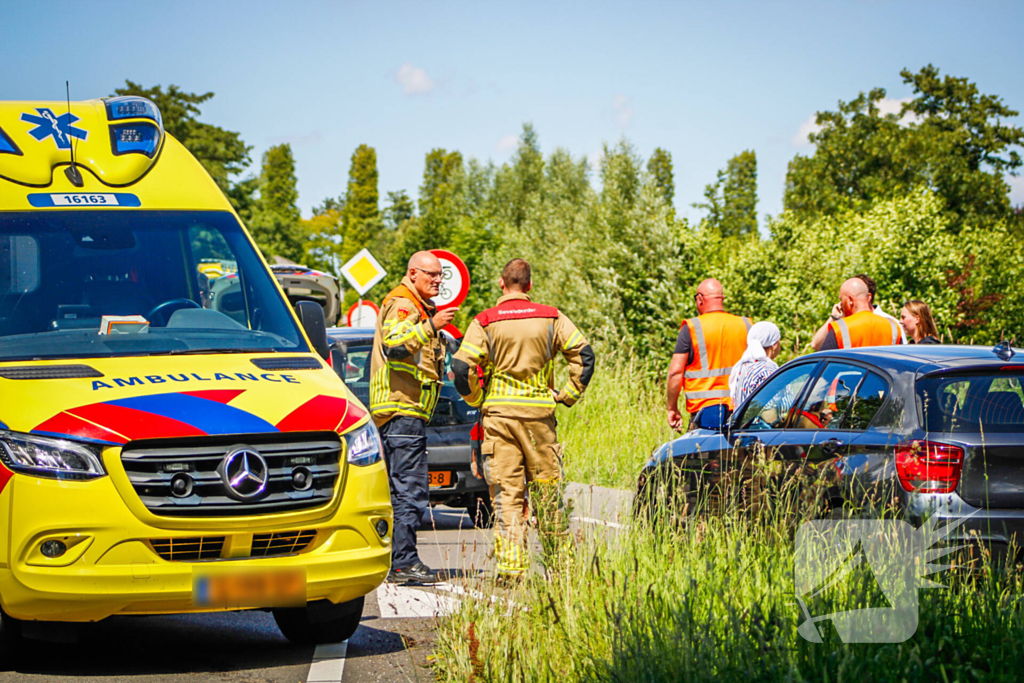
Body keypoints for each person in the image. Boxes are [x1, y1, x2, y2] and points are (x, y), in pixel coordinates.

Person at [451, 259, 594, 578]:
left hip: (499, 420)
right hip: (539, 419)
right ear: (528, 285)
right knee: (547, 493)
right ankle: (562, 567)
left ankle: (512, 569)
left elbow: (461, 369)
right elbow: (584, 356)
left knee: (506, 495)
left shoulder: (485, 321)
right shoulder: (551, 317)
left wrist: (477, 399)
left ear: (502, 284)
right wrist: (567, 395)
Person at [370, 251, 458, 585]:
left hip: (403, 411)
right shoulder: (405, 304)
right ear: (413, 273)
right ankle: (404, 563)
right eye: (432, 275)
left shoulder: (415, 305)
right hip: (401, 409)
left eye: (441, 276)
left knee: (400, 490)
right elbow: (395, 345)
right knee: (410, 489)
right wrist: (431, 326)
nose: (438, 281)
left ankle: (396, 559)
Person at [667, 279, 751, 432]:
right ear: (722, 299)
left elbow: (675, 372)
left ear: (700, 299)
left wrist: (672, 408)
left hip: (705, 414)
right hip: (742, 410)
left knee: (702, 454)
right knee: (737, 455)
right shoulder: (746, 325)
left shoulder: (692, 328)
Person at [810, 274, 906, 351]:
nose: (840, 304)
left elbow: (824, 363)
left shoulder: (841, 328)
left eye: (841, 299)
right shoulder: (893, 326)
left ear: (850, 300)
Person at [728, 321, 782, 408]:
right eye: (779, 341)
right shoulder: (767, 370)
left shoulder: (744, 367)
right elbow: (773, 409)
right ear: (774, 345)